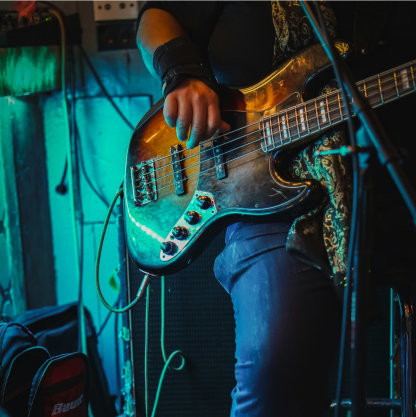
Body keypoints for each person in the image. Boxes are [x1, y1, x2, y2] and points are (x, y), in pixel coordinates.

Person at [136, 1, 416, 416]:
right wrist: (182, 75)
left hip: (396, 178)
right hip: (266, 202)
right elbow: (155, 17)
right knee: (275, 366)